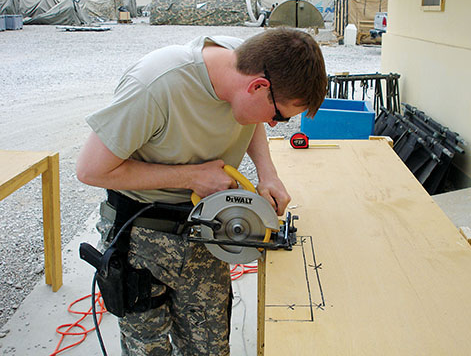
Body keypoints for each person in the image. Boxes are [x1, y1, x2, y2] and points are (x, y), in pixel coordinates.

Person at [76, 27, 327, 355]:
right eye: (278, 115)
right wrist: (191, 177)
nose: (273, 125)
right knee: (147, 349)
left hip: (205, 231)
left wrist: (268, 173)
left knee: (209, 348)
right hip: (140, 237)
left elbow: (250, 116)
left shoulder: (249, 65)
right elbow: (90, 170)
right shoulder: (156, 84)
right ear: (258, 86)